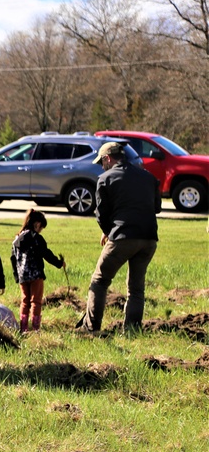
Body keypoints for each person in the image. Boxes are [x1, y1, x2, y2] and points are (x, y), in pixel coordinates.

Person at [79, 141, 160, 333]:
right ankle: (132, 330)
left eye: (101, 162)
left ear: (108, 158)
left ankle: (91, 328)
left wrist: (109, 232)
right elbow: (156, 208)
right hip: (149, 238)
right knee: (136, 288)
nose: (101, 166)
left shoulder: (105, 179)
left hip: (123, 237)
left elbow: (101, 214)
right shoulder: (148, 177)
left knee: (99, 280)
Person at [11, 209, 64, 332]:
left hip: (22, 276)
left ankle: (23, 328)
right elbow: (46, 254)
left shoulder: (17, 239)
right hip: (36, 275)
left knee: (25, 301)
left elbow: (13, 258)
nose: (41, 230)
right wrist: (59, 263)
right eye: (41, 227)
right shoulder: (37, 238)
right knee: (36, 301)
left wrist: (16, 275)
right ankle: (35, 329)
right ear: (38, 224)